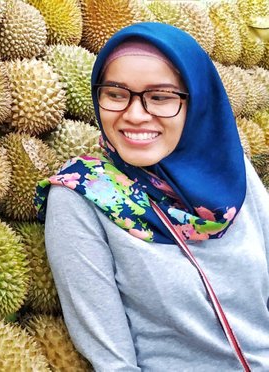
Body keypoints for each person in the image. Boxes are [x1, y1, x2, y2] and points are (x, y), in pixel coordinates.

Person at [35, 22, 269, 371]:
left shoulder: (233, 173)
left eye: (160, 97)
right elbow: (114, 362)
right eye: (115, 94)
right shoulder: (82, 195)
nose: (135, 114)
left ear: (198, 102)